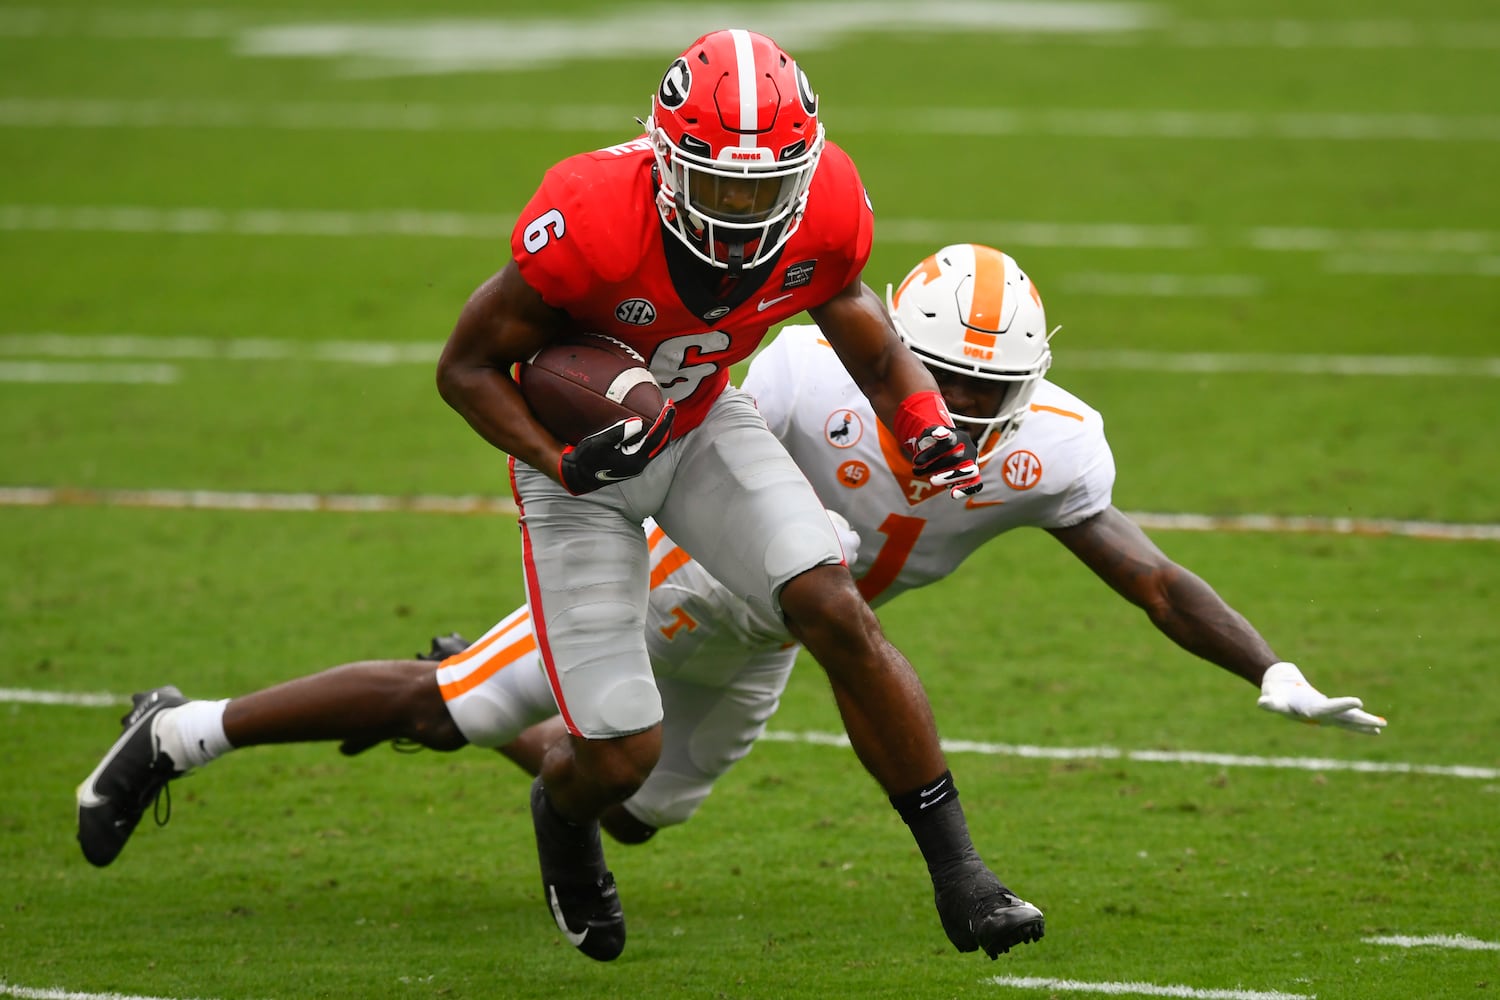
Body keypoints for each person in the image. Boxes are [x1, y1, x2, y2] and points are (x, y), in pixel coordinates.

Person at [75, 244, 1386, 950]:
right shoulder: (811, 375)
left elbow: (1151, 576)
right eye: (945, 384)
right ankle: (181, 731)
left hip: (785, 637)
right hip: (684, 572)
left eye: (995, 395)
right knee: (447, 709)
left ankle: (550, 760)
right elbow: (678, 457)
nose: (970, 419)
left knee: (632, 808)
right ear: (891, 354)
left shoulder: (1059, 448)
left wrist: (1264, 667)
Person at [77, 30, 1043, 965]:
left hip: (701, 423)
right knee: (617, 757)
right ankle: (220, 740)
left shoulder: (829, 206)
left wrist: (920, 418)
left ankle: (960, 870)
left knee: (831, 602)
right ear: (665, 159)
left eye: (766, 184)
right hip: (580, 469)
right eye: (717, 181)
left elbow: (861, 322)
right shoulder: (590, 212)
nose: (744, 207)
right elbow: (465, 368)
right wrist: (558, 456)